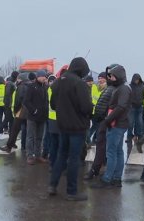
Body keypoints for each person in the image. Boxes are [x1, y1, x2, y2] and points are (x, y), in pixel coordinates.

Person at [48, 57, 93, 201]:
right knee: (74, 159)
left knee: (61, 155)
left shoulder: (57, 82)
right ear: (81, 70)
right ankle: (72, 192)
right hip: (77, 127)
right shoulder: (79, 84)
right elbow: (86, 107)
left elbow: (53, 105)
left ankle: (52, 185)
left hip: (62, 125)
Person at [91, 64, 131, 189]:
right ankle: (116, 178)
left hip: (116, 124)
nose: (111, 78)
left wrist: (108, 120)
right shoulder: (123, 87)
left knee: (112, 152)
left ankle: (108, 178)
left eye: (113, 76)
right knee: (118, 151)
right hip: (119, 123)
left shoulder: (123, 89)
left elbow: (121, 106)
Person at [84, 77, 116, 180]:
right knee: (104, 145)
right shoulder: (110, 89)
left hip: (105, 121)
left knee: (104, 146)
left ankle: (100, 170)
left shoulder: (109, 90)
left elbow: (101, 106)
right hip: (105, 120)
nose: (100, 81)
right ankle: (100, 169)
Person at [0, 73, 31, 153]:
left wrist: (15, 110)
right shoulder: (29, 86)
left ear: (21, 79)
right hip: (27, 111)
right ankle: (25, 147)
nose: (17, 80)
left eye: (18, 79)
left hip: (20, 111)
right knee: (26, 130)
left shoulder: (21, 86)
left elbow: (18, 100)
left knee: (14, 129)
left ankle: (9, 146)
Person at [23, 70, 49, 165]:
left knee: (39, 137)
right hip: (32, 117)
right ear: (38, 77)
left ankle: (38, 155)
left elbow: (46, 101)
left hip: (42, 117)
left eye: (45, 77)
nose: (44, 78)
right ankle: (30, 155)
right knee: (30, 137)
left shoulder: (45, 87)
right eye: (43, 76)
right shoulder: (31, 87)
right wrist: (34, 110)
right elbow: (26, 101)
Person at [88, 72, 107, 144]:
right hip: (93, 111)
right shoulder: (94, 86)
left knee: (98, 126)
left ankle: (93, 139)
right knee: (96, 126)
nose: (100, 80)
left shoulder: (107, 88)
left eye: (101, 78)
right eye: (99, 78)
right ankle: (89, 139)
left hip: (101, 111)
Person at [128, 74, 144, 145]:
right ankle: (129, 136)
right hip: (132, 107)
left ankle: (138, 136)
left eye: (137, 79)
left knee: (139, 122)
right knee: (130, 123)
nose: (136, 81)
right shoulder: (130, 86)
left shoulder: (142, 86)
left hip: (140, 106)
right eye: (135, 79)